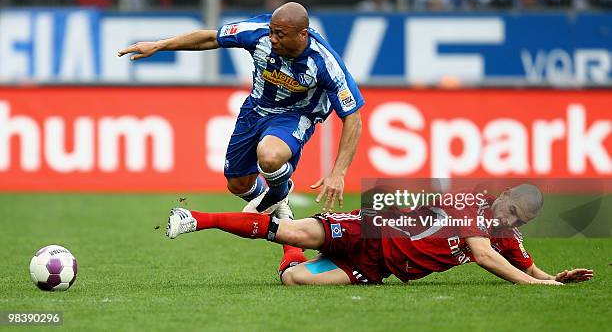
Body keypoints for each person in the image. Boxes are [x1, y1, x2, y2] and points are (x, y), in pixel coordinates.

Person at [118, 2, 364, 220]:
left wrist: (338, 173)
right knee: (237, 184)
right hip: (255, 110)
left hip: (295, 115)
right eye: (271, 31)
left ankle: (279, 191)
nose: (273, 38)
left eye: (280, 34)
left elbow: (353, 117)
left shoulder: (325, 63)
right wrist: (160, 46)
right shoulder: (257, 33)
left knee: (268, 156)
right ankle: (279, 207)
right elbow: (211, 38)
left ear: (302, 34)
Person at [164, 184, 594, 286]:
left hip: (379, 267)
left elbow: (526, 265)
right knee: (289, 232)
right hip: (372, 230)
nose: (511, 222)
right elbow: (481, 254)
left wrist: (552, 280)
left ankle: (281, 211)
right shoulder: (469, 206)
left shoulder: (506, 235)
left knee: (294, 279)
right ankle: (194, 217)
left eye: (520, 222)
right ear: (501, 198)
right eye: (511, 211)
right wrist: (535, 289)